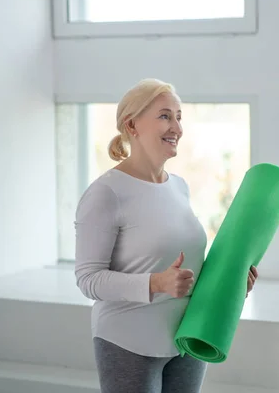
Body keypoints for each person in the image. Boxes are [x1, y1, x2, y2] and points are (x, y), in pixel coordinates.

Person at [74, 78, 258, 393]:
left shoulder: (179, 187)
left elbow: (185, 270)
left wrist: (230, 283)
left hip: (186, 338)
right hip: (128, 341)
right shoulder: (107, 193)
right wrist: (155, 283)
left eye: (179, 116)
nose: (177, 126)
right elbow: (88, 279)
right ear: (132, 125)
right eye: (164, 116)